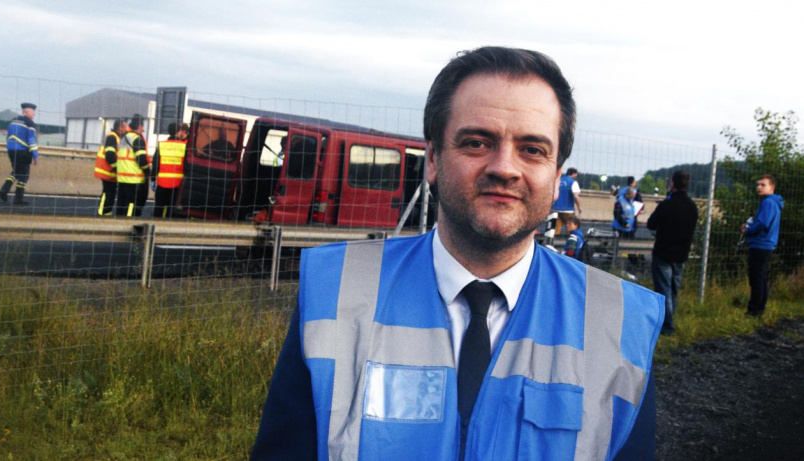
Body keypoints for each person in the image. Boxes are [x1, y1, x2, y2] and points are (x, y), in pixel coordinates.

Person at [250, 47, 663, 461]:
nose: (505, 167)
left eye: (532, 149)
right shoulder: (334, 293)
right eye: (477, 142)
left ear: (556, 179)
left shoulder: (619, 324)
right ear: (432, 159)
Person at [646, 170, 699, 335]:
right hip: (681, 254)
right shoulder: (692, 207)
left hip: (663, 252)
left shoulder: (666, 205)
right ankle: (669, 319)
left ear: (672, 184)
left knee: (663, 290)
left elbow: (651, 224)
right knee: (674, 290)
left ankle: (667, 326)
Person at [740, 174, 784, 317]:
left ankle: (754, 311)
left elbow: (763, 223)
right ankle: (760, 308)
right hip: (766, 244)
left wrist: (748, 230)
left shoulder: (768, 202)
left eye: (763, 185)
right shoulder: (772, 203)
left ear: (772, 187)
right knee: (761, 277)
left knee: (756, 277)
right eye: (758, 184)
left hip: (761, 244)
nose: (759, 187)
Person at [0, 102, 39, 206]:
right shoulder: (29, 123)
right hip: (23, 151)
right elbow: (31, 139)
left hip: (11, 150)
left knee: (16, 171)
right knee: (24, 175)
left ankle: (5, 189)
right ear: (26, 112)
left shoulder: (13, 121)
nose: (34, 114)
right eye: (32, 112)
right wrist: (35, 155)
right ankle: (18, 198)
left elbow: (8, 136)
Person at [115, 114, 150, 217]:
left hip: (122, 177)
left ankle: (117, 225)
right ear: (140, 126)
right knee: (131, 206)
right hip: (133, 179)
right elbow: (142, 160)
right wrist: (147, 171)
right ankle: (128, 225)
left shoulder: (124, 138)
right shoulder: (137, 139)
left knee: (121, 205)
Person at [152, 122, 189, 218]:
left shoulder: (162, 145)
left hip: (162, 183)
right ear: (178, 132)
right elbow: (187, 166)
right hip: (177, 184)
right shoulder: (184, 147)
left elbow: (155, 163)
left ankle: (155, 225)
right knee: (171, 208)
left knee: (158, 208)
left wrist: (153, 179)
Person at [94, 119, 127, 216]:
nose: (126, 129)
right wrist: (118, 168)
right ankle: (101, 213)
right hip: (107, 171)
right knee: (107, 193)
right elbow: (109, 155)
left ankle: (106, 214)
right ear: (120, 127)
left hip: (110, 172)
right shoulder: (112, 137)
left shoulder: (117, 137)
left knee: (110, 194)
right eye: (125, 127)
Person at [551, 167, 583, 234]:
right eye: (576, 174)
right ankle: (569, 241)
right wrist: (579, 207)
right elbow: (576, 196)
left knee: (555, 229)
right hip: (568, 210)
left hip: (555, 209)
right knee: (570, 228)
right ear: (573, 174)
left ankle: (553, 242)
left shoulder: (558, 180)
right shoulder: (573, 182)